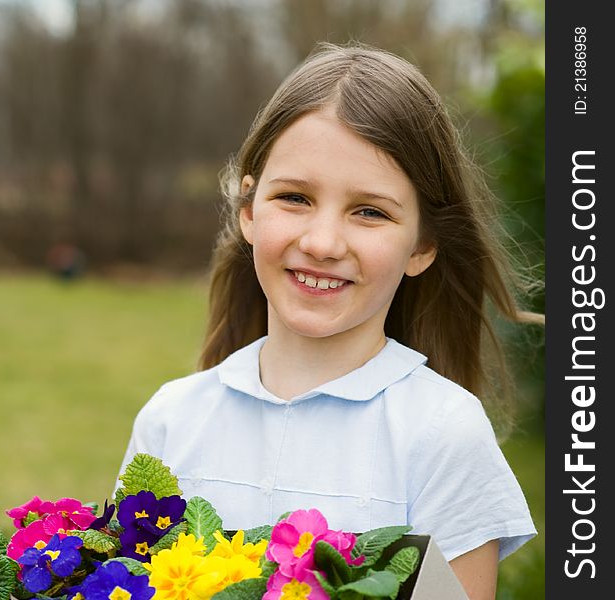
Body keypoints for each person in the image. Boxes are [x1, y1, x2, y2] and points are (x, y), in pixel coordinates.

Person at [117, 43, 542, 600]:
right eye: (294, 197)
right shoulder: (171, 421)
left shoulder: (442, 433)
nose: (321, 242)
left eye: (370, 211)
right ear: (249, 210)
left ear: (423, 244)